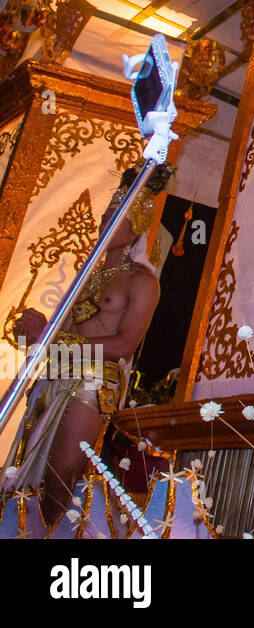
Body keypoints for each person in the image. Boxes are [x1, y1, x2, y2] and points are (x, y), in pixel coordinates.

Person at [2, 165, 171, 528]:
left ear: (137, 226)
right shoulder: (85, 276)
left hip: (95, 381)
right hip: (56, 373)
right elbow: (43, 345)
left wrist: (52, 340)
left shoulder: (143, 281)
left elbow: (124, 345)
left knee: (60, 477)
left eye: (120, 215)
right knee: (27, 471)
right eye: (108, 211)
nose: (108, 218)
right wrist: (28, 334)